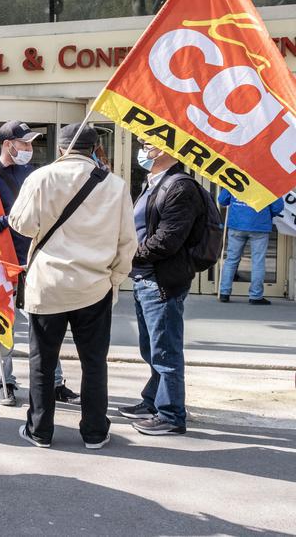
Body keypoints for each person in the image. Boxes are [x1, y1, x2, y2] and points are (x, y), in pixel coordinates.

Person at [10, 124, 137, 449]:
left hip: (48, 285)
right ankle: (94, 432)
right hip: (94, 286)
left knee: (42, 362)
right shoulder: (116, 185)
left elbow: (21, 225)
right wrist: (114, 280)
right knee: (94, 362)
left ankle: (40, 430)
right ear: (95, 148)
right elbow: (127, 242)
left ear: (62, 149)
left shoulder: (40, 178)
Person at [0, 121, 79, 407]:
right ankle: (5, 383)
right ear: (7, 145)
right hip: (2, 265)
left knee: (46, 327)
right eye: (24, 144)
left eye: (30, 144)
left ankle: (54, 384)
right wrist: (8, 220)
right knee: (3, 327)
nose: (29, 149)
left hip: (35, 263)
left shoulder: (35, 173)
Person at [120, 141, 206, 436]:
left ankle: (171, 415)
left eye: (149, 144)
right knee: (151, 348)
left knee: (166, 351)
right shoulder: (154, 183)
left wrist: (129, 255)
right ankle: (153, 402)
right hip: (145, 277)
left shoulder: (180, 187)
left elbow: (168, 239)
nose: (143, 149)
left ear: (170, 150)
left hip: (162, 280)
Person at [217, 190, 283, 306]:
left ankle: (224, 292)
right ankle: (256, 296)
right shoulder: (268, 183)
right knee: (258, 261)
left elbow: (222, 200)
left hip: (237, 224)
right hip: (259, 225)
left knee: (231, 260)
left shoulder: (237, 177)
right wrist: (266, 214)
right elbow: (278, 207)